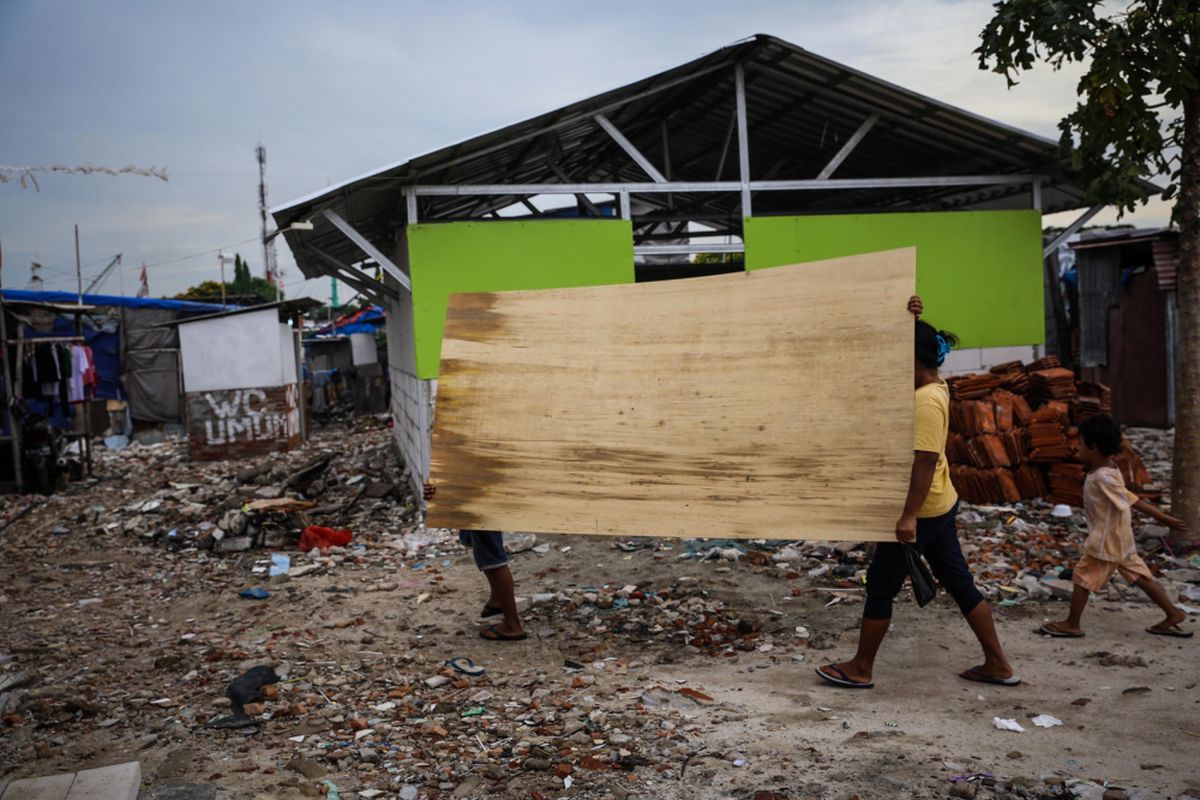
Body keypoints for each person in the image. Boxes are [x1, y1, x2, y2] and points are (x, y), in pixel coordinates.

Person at [816, 297, 1019, 689]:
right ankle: (997, 663)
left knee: (881, 585)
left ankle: (861, 667)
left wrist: (907, 517)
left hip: (922, 508)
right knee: (959, 581)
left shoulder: (925, 402)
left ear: (911, 360)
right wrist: (906, 315)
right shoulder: (933, 386)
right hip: (940, 502)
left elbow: (924, 460)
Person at [1038, 414, 1191, 638]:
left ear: (1094, 448)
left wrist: (1163, 518)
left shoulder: (1102, 477)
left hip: (1106, 538)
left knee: (1082, 576)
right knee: (1141, 576)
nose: (1075, 447)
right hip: (1121, 537)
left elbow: (1131, 499)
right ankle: (1173, 613)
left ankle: (1072, 623)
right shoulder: (1110, 468)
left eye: (1080, 444)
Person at [423, 482, 526, 641]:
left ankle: (512, 625)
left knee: (491, 556)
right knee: (483, 547)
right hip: (476, 488)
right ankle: (498, 599)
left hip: (482, 491)